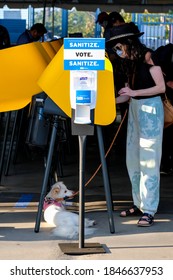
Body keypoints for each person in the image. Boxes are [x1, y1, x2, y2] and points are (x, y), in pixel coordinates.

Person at [106, 23, 166, 227]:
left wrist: (134, 94)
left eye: (118, 47)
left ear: (128, 43)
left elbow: (160, 87)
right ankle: (139, 203)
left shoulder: (149, 57)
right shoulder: (127, 64)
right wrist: (107, 101)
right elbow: (126, 94)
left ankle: (149, 209)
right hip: (134, 110)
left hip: (150, 110)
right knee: (133, 159)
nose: (117, 51)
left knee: (149, 160)